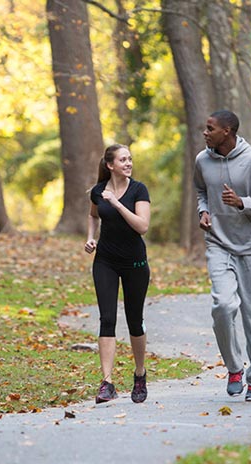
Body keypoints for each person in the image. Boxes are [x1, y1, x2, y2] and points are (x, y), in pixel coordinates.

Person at [194, 110, 251, 401]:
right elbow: (201, 191)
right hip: (218, 242)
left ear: (227, 131)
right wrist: (203, 211)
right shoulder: (202, 160)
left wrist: (242, 203)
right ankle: (234, 368)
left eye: (210, 128)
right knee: (223, 306)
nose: (205, 133)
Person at [85, 144, 152, 404]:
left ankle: (139, 374)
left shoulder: (138, 189)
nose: (128, 163)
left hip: (135, 263)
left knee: (135, 321)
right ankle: (107, 382)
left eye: (130, 159)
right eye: (123, 159)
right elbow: (93, 215)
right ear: (110, 165)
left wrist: (117, 204)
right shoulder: (98, 191)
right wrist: (91, 238)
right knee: (107, 318)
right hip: (105, 261)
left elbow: (142, 226)